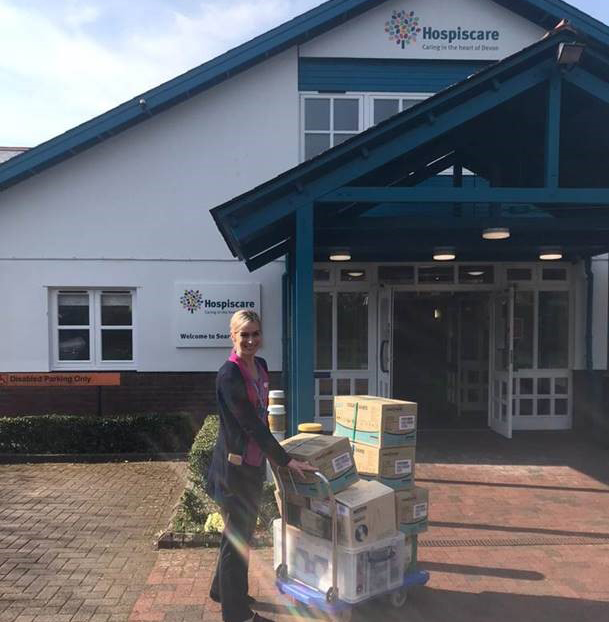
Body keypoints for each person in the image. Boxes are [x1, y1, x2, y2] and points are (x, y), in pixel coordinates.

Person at [206, 310, 314, 622]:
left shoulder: (262, 367)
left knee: (237, 536)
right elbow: (252, 425)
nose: (251, 340)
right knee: (237, 542)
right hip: (233, 470)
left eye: (255, 334)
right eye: (244, 335)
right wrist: (285, 460)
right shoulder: (229, 375)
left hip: (251, 465)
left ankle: (220, 590)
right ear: (233, 336)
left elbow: (263, 413)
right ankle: (237, 615)